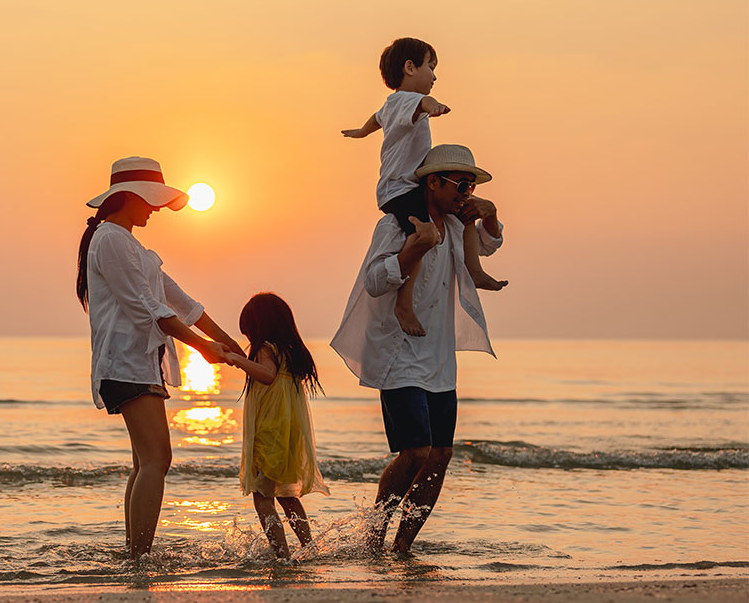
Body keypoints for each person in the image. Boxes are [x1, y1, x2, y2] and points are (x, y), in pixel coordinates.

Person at [330, 144, 504, 554]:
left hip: (440, 359)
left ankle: (402, 547)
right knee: (415, 451)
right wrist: (414, 247)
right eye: (461, 184)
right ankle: (374, 537)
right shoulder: (397, 225)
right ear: (433, 182)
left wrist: (491, 212)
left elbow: (489, 244)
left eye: (471, 185)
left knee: (440, 453)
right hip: (398, 354)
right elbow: (375, 281)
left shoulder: (457, 226)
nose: (466, 192)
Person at [77, 156, 243, 558]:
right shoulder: (111, 239)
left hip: (140, 362)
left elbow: (182, 302)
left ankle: (134, 554)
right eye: (150, 199)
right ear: (129, 196)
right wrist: (203, 348)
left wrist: (232, 344)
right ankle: (139, 557)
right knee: (157, 459)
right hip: (125, 363)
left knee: (145, 463)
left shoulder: (132, 245)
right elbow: (148, 307)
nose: (155, 208)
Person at [341, 37, 506, 338]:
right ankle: (404, 303)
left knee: (466, 216)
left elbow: (374, 120)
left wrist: (360, 132)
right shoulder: (405, 101)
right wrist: (436, 106)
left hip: (405, 187)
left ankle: (476, 271)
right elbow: (423, 103)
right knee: (422, 236)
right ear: (409, 67)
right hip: (400, 189)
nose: (434, 75)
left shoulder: (391, 108)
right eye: (430, 66)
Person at [225, 293, 329, 558]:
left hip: (269, 432)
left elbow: (268, 376)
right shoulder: (292, 352)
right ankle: (309, 548)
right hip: (289, 433)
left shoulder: (266, 349)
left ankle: (280, 553)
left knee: (262, 495)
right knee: (286, 496)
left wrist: (237, 361)